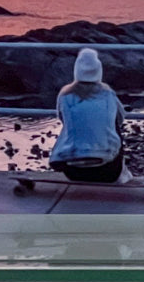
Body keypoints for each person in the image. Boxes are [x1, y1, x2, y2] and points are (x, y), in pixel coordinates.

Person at [48, 48, 131, 183]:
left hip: (73, 172)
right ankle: (116, 165)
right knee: (113, 123)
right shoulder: (108, 94)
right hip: (109, 172)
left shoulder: (65, 95)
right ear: (99, 70)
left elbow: (62, 119)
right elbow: (121, 118)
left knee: (72, 125)